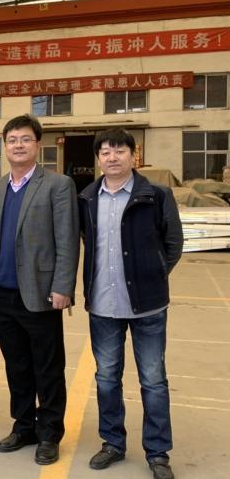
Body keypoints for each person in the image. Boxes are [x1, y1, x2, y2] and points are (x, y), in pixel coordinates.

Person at [78, 129, 183, 479]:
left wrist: (154, 273)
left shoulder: (156, 194)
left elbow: (173, 243)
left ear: (133, 155)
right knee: (107, 378)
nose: (112, 157)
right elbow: (86, 241)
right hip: (103, 307)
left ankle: (158, 452)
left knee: (153, 380)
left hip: (148, 307)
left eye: (119, 150)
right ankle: (113, 443)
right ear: (98, 158)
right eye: (105, 152)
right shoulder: (87, 198)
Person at [0, 114, 79, 465]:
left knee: (47, 366)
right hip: (0, 292)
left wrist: (63, 286)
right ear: (4, 146)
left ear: (38, 144)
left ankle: (49, 433)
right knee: (17, 364)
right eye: (12, 140)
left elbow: (67, 239)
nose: (18, 145)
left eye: (25, 139)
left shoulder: (57, 185)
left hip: (41, 292)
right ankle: (23, 426)